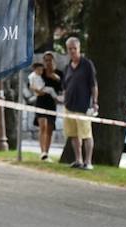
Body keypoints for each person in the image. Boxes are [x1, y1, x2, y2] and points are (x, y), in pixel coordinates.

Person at [62, 36, 98, 170]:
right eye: (69, 49)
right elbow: (65, 86)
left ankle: (88, 162)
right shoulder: (67, 67)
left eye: (74, 48)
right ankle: (78, 159)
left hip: (83, 106)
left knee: (86, 134)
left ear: (79, 49)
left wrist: (95, 102)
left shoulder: (87, 64)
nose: (72, 51)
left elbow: (93, 85)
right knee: (73, 134)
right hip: (69, 106)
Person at [34, 51, 62, 162]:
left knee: (50, 128)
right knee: (43, 126)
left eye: (50, 60)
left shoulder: (59, 74)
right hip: (41, 101)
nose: (47, 62)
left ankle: (47, 152)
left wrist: (56, 79)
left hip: (51, 103)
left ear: (54, 61)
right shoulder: (41, 72)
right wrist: (36, 90)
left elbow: (62, 87)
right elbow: (32, 82)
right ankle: (42, 153)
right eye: (45, 60)